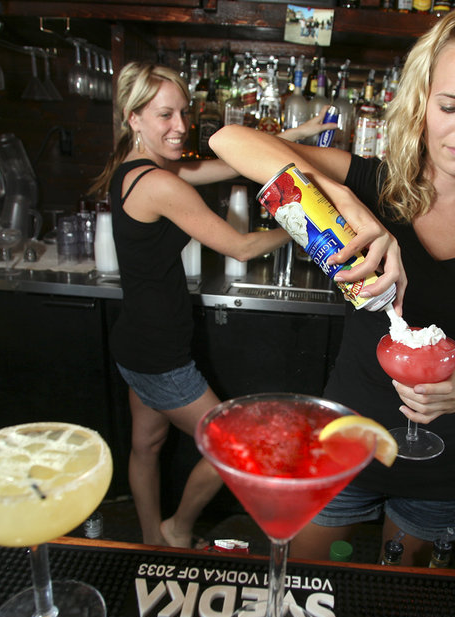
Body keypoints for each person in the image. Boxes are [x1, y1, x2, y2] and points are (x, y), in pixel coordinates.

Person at [209, 6, 455, 565]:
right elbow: (228, 139)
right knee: (311, 590)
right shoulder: (370, 183)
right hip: (348, 443)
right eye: (449, 105)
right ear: (422, 101)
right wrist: (342, 199)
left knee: (399, 601)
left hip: (441, 462)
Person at [88, 62, 388, 547]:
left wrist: (299, 135)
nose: (181, 127)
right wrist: (304, 228)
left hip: (137, 342)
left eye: (184, 113)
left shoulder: (135, 169)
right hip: (160, 354)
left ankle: (149, 544)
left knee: (147, 444)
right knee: (234, 448)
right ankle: (178, 530)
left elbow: (231, 163)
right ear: (133, 117)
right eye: (166, 115)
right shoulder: (161, 184)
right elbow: (240, 247)